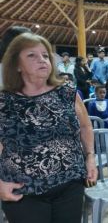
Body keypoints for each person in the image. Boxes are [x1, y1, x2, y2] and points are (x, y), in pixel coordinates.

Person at [0, 33, 97, 222]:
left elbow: (85, 126)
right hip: (23, 191)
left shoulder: (66, 92)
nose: (42, 60)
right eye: (32, 55)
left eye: (45, 55)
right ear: (17, 65)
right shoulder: (4, 101)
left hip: (70, 185)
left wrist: (90, 157)